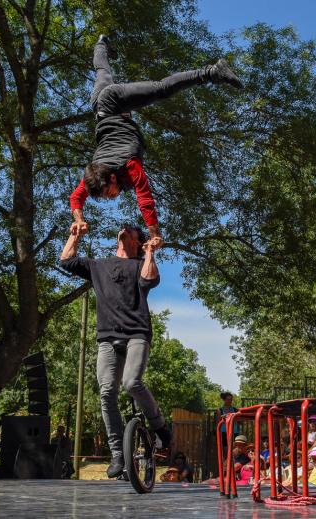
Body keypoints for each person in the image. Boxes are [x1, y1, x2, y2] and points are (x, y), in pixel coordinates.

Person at [70, 35, 243, 245]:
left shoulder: (129, 164)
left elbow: (145, 199)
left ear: (113, 178)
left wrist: (154, 234)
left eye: (108, 193)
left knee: (162, 89)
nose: (110, 197)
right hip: (98, 105)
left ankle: (213, 72)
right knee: (103, 71)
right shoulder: (95, 174)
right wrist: (78, 220)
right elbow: (76, 197)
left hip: (112, 101)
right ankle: (102, 43)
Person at [59, 224, 170, 479]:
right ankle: (118, 453)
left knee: (131, 383)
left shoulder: (139, 263)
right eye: (122, 229)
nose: (123, 230)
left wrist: (150, 252)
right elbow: (66, 261)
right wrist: (74, 235)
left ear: (137, 240)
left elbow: (149, 279)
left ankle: (159, 425)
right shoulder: (99, 265)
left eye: (129, 230)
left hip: (136, 334)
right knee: (107, 391)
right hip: (108, 337)